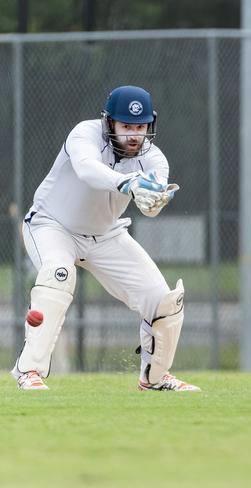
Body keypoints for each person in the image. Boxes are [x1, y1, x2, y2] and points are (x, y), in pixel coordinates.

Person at [12, 85, 200, 392]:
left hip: (106, 234)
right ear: (108, 122)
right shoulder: (84, 134)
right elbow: (88, 171)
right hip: (52, 226)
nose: (133, 135)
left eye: (140, 127)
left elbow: (150, 198)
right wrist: (128, 183)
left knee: (163, 300)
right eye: (126, 126)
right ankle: (29, 371)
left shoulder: (154, 160)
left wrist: (152, 200)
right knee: (59, 276)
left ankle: (154, 379)